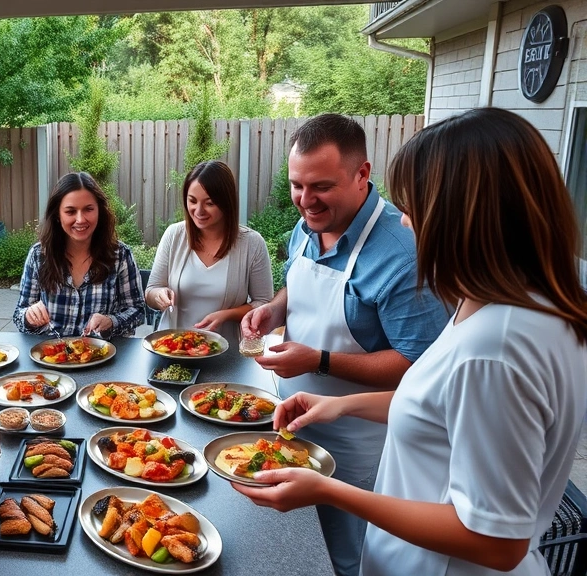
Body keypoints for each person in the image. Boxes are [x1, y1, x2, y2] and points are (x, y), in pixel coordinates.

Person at [235, 107, 587, 576]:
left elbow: (497, 541)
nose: (406, 223)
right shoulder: (515, 304)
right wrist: (341, 405)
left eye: (419, 206)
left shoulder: (495, 351)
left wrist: (328, 489)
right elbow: (443, 406)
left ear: (467, 213)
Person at [239, 114, 450, 576]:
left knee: (344, 559)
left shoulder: (403, 252)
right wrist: (273, 311)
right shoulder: (306, 226)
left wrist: (319, 360)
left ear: (362, 174)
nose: (305, 201)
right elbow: (296, 285)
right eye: (297, 185)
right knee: (286, 552)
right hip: (289, 422)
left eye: (320, 187)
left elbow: (419, 367)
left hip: (359, 447)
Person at [145, 160, 273, 344]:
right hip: (171, 347)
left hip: (224, 352)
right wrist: (159, 296)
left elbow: (264, 303)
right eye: (192, 201)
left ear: (226, 202)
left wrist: (227, 315)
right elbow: (151, 291)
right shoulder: (174, 235)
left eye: (209, 203)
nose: (199, 211)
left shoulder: (252, 243)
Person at [13, 172, 144, 337]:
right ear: (58, 216)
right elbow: (19, 314)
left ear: (99, 211)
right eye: (70, 211)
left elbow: (138, 311)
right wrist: (28, 316)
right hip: (50, 358)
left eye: (88, 209)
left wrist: (111, 321)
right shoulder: (39, 255)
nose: (80, 219)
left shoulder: (120, 256)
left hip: (103, 357)